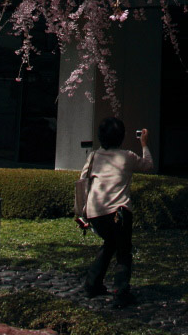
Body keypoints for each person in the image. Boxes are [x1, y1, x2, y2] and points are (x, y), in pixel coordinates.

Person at [81, 117, 153, 307]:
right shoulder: (127, 157)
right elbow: (148, 165)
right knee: (123, 251)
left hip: (95, 212)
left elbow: (83, 182)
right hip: (118, 213)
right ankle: (120, 292)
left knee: (110, 243)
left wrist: (83, 212)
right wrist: (144, 144)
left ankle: (92, 284)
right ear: (121, 137)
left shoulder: (94, 156)